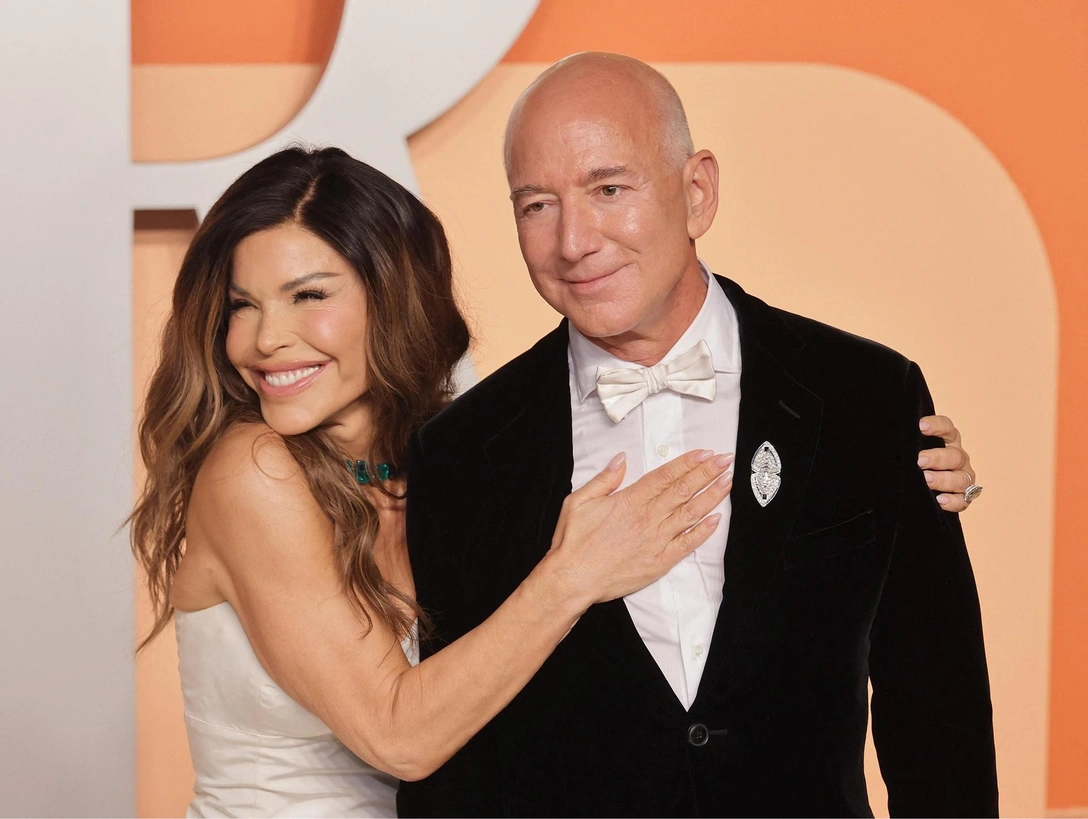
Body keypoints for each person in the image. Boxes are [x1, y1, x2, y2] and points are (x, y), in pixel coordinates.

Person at [397, 53, 996, 818]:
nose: (573, 241)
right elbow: (454, 772)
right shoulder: (459, 452)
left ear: (697, 191)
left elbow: (939, 718)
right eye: (537, 205)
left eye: (608, 189)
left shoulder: (867, 396)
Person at [130, 146, 740, 816]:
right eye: (242, 305)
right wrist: (574, 576)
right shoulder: (253, 471)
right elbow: (399, 735)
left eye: (308, 295)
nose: (266, 338)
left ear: (393, 297)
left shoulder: (440, 462)